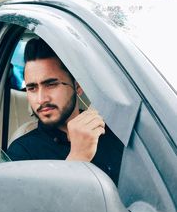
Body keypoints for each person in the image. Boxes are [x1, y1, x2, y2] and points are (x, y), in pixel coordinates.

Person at [7, 38, 123, 184]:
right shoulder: (22, 152)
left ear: (78, 86)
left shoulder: (115, 132)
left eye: (51, 84)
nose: (41, 99)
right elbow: (37, 207)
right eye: (32, 88)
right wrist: (77, 157)